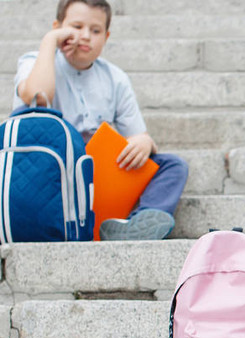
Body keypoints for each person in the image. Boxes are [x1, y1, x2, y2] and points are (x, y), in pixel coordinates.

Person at [13, 0, 187, 241]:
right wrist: (50, 42)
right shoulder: (35, 61)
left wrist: (144, 143)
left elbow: (138, 135)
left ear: (106, 37)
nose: (85, 36)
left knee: (172, 165)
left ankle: (139, 224)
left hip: (97, 173)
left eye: (95, 31)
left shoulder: (115, 78)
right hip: (52, 172)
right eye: (76, 27)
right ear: (57, 27)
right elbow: (37, 96)